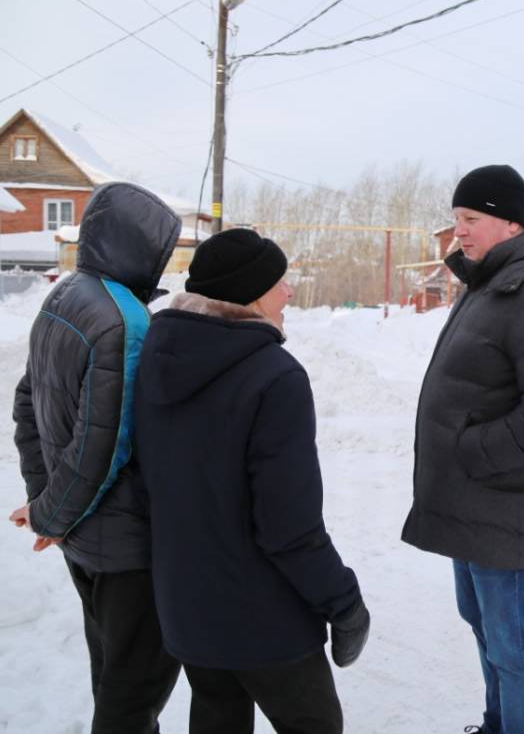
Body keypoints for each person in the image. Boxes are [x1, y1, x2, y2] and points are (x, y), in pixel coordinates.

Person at [132, 228, 369, 734]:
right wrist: (344, 603)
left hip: (188, 609)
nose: (289, 293)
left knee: (217, 719)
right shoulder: (274, 376)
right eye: (280, 282)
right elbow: (289, 527)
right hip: (265, 621)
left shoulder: (156, 356)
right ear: (250, 292)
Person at [401, 164, 524, 734]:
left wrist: (472, 451)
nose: (458, 231)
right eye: (456, 219)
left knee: (513, 642)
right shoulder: (491, 281)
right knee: (484, 625)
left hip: (509, 502)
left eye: (470, 218)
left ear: (510, 223)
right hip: (476, 500)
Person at [10, 181, 183, 733]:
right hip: (127, 549)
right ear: (140, 245)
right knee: (131, 698)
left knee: (111, 676)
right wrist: (49, 513)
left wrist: (46, 502)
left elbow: (26, 401)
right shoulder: (124, 322)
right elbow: (102, 448)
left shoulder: (64, 295)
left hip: (86, 541)